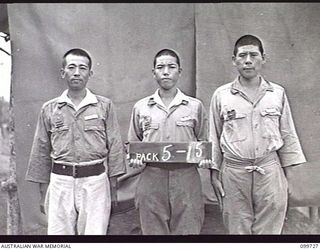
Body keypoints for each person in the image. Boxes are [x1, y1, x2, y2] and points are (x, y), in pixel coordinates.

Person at [206, 35, 307, 234]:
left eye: (253, 55)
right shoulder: (222, 95)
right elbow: (213, 137)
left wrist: (287, 179)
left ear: (263, 58)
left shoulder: (277, 93)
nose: (248, 60)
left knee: (269, 232)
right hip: (234, 173)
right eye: (242, 55)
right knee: (237, 230)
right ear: (234, 60)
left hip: (269, 171)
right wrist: (214, 175)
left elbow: (287, 134)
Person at [25, 48, 125, 235]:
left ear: (90, 73)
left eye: (82, 68)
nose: (77, 72)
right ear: (63, 72)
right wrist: (43, 192)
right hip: (60, 182)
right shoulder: (50, 109)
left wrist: (112, 190)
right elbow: (41, 150)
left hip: (95, 182)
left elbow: (115, 148)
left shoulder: (104, 106)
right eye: (71, 67)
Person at [128, 48, 212, 235]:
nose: (166, 71)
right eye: (160, 67)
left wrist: (204, 156)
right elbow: (134, 143)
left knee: (188, 231)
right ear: (154, 72)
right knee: (152, 232)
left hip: (186, 177)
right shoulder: (142, 107)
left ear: (179, 71)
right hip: (152, 176)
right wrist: (135, 158)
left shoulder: (194, 106)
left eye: (171, 67)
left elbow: (204, 139)